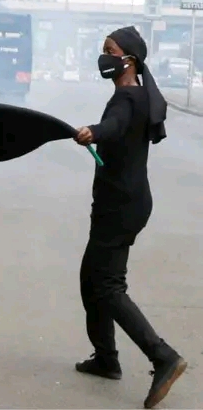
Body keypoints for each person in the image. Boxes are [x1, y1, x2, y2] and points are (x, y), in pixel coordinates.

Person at [74, 26, 186, 409]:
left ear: (130, 60)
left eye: (110, 50)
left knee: (106, 286)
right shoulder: (136, 94)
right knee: (92, 279)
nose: (104, 56)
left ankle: (163, 356)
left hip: (120, 206)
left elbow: (115, 126)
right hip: (124, 203)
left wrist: (93, 132)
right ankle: (106, 358)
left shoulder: (127, 97)